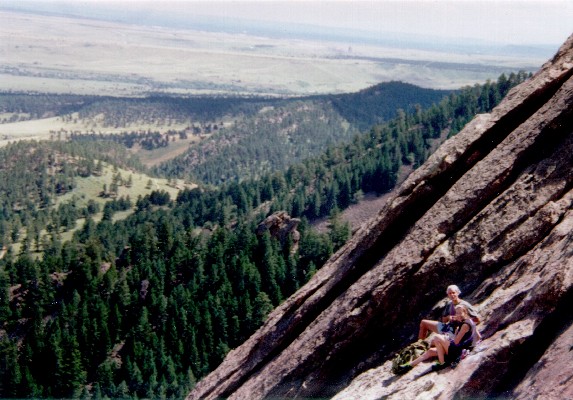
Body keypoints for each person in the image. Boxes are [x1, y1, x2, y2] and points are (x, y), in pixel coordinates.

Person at [397, 304, 477, 373]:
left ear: (465, 312)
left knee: (437, 337)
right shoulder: (467, 321)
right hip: (457, 349)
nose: (458, 315)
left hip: (457, 351)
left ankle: (442, 363)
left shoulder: (465, 325)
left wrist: (447, 339)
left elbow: (456, 342)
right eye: (457, 313)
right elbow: (475, 336)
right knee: (430, 351)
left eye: (460, 313)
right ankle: (408, 366)